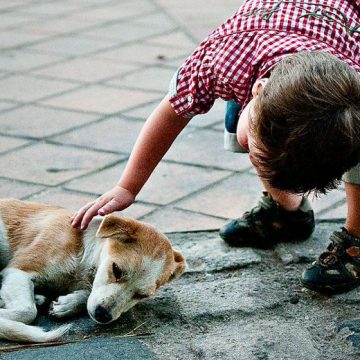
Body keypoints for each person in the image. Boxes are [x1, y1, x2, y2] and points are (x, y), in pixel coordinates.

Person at [72, 0, 360, 294]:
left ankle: (357, 238)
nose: (254, 160)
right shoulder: (219, 59)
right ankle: (286, 214)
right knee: (245, 129)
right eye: (255, 154)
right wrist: (128, 187)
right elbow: (171, 112)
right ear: (258, 90)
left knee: (352, 146)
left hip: (341, 31)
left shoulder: (354, 84)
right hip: (259, 44)